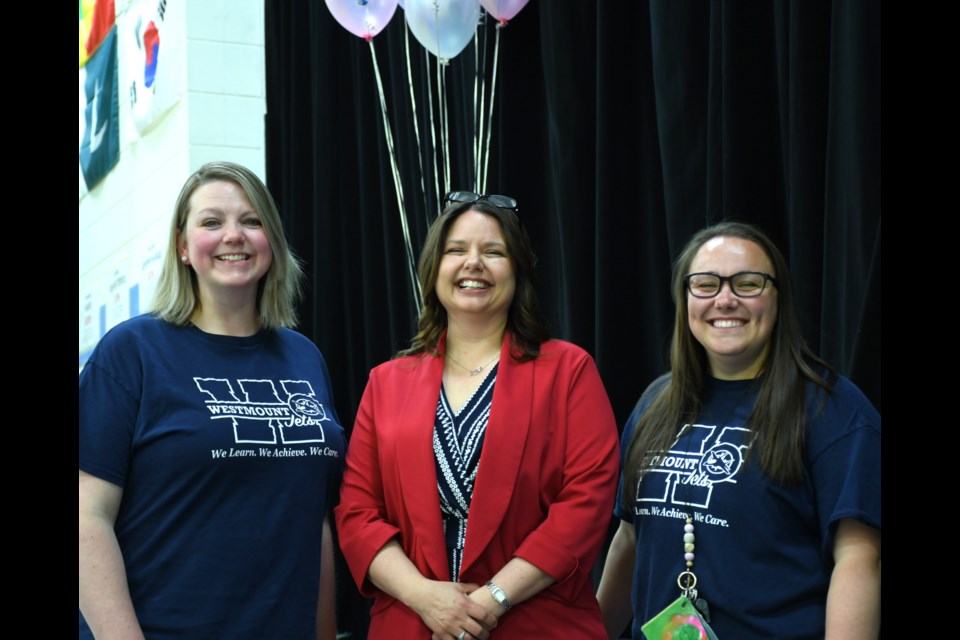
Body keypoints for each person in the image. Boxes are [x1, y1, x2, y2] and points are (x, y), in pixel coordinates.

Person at [78, 161, 346, 639]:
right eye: (211, 222)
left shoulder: (304, 358)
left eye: (251, 220)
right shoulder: (132, 353)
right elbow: (86, 517)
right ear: (183, 247)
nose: (234, 235)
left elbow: (313, 519)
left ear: (272, 240)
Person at [334, 191, 620, 639]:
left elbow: (586, 501)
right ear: (434, 269)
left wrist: (490, 600)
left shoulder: (568, 370)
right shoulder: (385, 382)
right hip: (413, 623)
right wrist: (425, 597)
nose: (474, 263)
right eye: (456, 251)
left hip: (535, 623)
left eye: (493, 252)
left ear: (517, 271)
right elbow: (357, 513)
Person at [597, 221, 881, 639]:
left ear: (778, 298)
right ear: (685, 299)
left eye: (748, 283)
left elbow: (859, 557)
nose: (725, 300)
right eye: (706, 284)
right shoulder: (656, 403)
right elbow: (629, 538)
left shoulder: (833, 408)